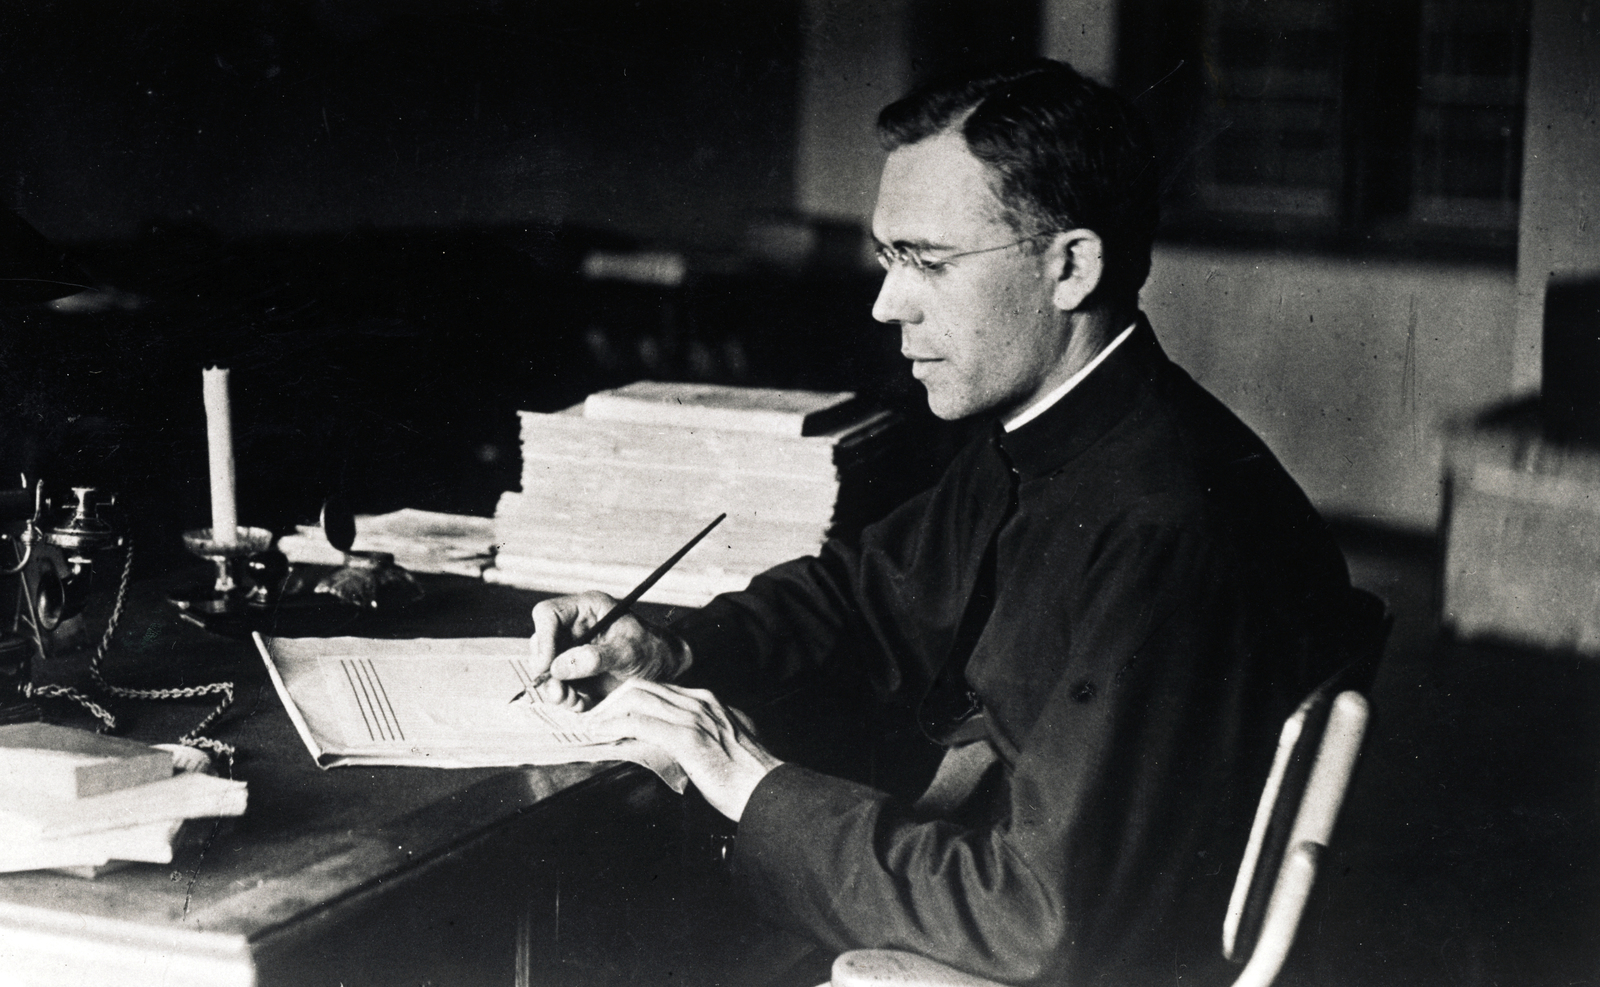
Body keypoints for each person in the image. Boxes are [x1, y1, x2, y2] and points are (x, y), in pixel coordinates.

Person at [528, 58, 1357, 986]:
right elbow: (865, 590)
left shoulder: (1166, 523)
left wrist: (746, 776)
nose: (887, 303)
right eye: (888, 257)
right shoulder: (1062, 427)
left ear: (1070, 266)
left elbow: (1037, 921)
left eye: (927, 260)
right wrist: (672, 649)